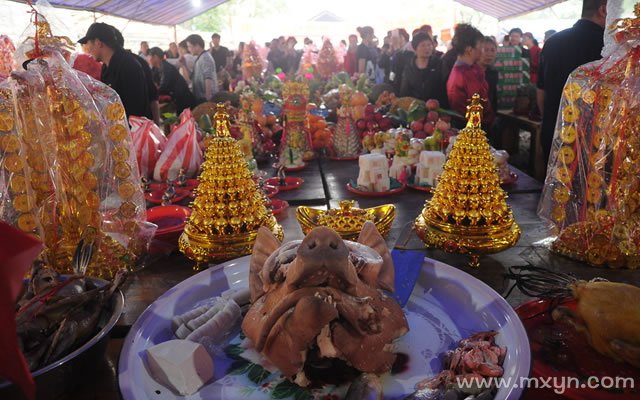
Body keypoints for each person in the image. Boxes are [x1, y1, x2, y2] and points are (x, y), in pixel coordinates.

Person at [537, 0, 607, 165]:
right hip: (593, 140)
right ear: (603, 10)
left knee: (552, 185)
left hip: (554, 131)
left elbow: (540, 91)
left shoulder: (553, 42)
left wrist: (549, 120)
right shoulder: (608, 46)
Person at [78, 23, 150, 119]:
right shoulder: (106, 67)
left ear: (98, 43)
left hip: (133, 129)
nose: (88, 49)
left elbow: (135, 108)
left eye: (89, 44)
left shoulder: (128, 65)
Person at [446, 23, 494, 126]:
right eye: (480, 48)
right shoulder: (466, 74)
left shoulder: (463, 68)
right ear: (469, 49)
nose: (482, 52)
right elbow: (480, 103)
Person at [112, 27, 160, 124]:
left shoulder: (133, 63)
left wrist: (156, 125)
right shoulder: (106, 66)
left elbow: (152, 97)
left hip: (137, 126)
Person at [399, 31, 446, 104]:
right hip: (416, 110)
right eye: (423, 45)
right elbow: (404, 92)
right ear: (415, 48)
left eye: (429, 44)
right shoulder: (409, 68)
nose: (427, 48)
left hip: (437, 109)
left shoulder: (439, 64)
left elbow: (445, 87)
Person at [149, 47, 196, 113]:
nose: (148, 59)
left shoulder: (167, 68)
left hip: (183, 100)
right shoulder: (155, 68)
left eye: (150, 56)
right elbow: (152, 82)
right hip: (175, 100)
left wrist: (151, 93)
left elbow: (163, 87)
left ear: (156, 57)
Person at [185, 34, 217, 104]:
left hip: (205, 99)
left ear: (197, 46)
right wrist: (184, 64)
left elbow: (208, 78)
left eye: (189, 46)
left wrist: (208, 99)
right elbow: (191, 76)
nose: (188, 49)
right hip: (201, 98)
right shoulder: (200, 57)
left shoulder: (205, 58)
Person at [479, 36, 499, 114]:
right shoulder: (470, 72)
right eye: (486, 50)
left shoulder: (493, 73)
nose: (489, 54)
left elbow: (493, 97)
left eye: (493, 50)